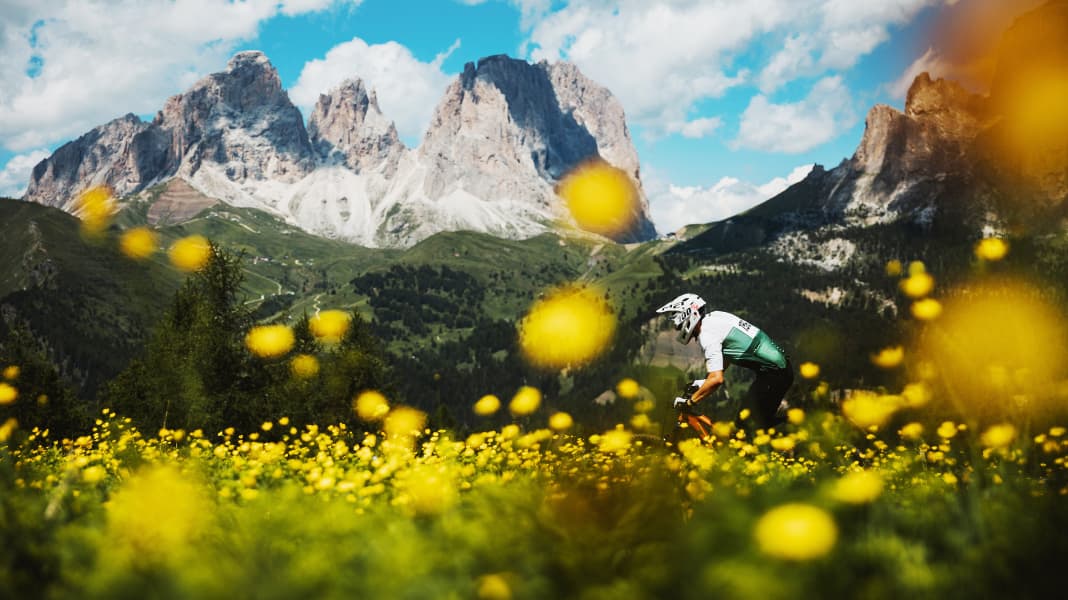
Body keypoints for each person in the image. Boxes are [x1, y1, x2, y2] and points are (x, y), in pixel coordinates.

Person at [656, 293, 793, 429]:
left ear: (689, 317)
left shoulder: (707, 335)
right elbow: (727, 354)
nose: (678, 329)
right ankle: (790, 429)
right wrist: (704, 382)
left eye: (679, 326)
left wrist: (690, 402)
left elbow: (717, 379)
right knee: (747, 421)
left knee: (746, 424)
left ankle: (793, 437)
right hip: (776, 371)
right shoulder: (715, 317)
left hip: (775, 374)